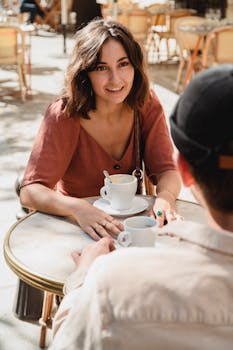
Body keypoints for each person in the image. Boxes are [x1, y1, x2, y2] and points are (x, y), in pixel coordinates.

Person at [49, 65, 233, 350]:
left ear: (183, 170)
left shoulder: (114, 285)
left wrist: (83, 278)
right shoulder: (64, 113)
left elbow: (66, 342)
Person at [20, 19, 181, 240]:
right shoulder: (64, 114)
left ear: (135, 65)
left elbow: (166, 170)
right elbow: (30, 192)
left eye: (123, 64)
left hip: (131, 229)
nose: (116, 79)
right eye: (101, 68)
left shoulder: (146, 104)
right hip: (76, 228)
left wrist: (166, 198)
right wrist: (77, 208)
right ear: (85, 72)